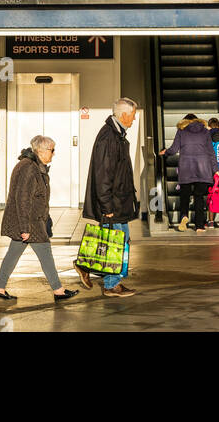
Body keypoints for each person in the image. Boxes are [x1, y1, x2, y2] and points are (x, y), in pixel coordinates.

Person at [0, 135, 78, 305]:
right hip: (29, 221)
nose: (53, 154)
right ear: (42, 151)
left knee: (13, 254)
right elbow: (23, 198)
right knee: (45, 252)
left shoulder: (33, 165)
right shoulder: (29, 168)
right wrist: (25, 227)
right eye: (52, 150)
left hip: (32, 219)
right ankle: (58, 291)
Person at [81, 97, 139, 298]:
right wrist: (107, 206)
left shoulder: (117, 134)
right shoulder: (109, 137)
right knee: (118, 243)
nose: (133, 119)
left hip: (118, 200)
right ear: (123, 115)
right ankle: (110, 284)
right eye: (132, 115)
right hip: (113, 202)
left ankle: (88, 268)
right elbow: (103, 174)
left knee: (113, 242)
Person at [160, 113, 218, 233]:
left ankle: (184, 216)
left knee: (185, 195)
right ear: (197, 120)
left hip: (186, 167)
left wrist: (165, 152)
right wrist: (216, 170)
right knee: (199, 197)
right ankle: (199, 226)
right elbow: (211, 153)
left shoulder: (181, 131)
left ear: (185, 121)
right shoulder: (205, 132)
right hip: (203, 168)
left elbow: (174, 149)